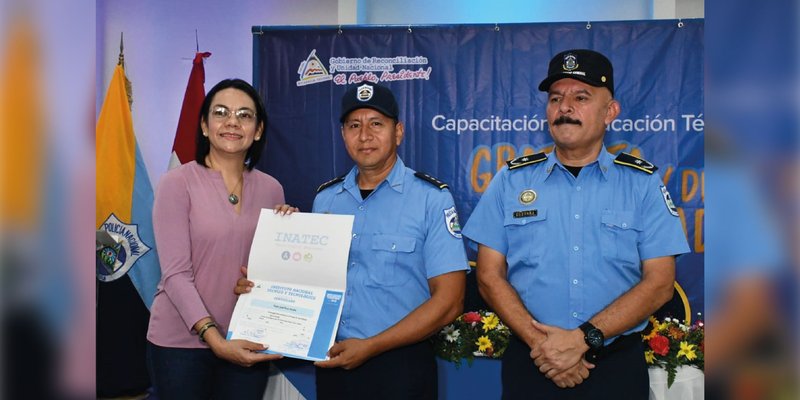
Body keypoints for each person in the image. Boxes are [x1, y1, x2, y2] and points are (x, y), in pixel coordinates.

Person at [461, 49, 691, 399]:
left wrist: (584, 339)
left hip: (613, 367)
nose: (564, 108)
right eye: (556, 98)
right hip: (533, 362)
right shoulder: (511, 180)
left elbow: (660, 283)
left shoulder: (642, 183)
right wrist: (546, 346)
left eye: (580, 97)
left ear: (610, 112)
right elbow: (489, 276)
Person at [237, 82, 469, 399]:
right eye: (354, 125)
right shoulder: (326, 199)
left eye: (377, 123)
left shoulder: (431, 199)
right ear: (343, 134)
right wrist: (265, 281)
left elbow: (450, 301)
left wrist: (372, 346)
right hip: (335, 364)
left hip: (401, 366)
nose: (365, 136)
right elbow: (309, 283)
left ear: (398, 132)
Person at [147, 78, 297, 399]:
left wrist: (290, 233)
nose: (232, 121)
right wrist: (216, 340)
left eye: (245, 115)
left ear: (257, 131)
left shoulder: (272, 189)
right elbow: (175, 275)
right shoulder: (176, 183)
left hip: (247, 336)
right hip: (181, 343)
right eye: (221, 112)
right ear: (204, 125)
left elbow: (266, 269)